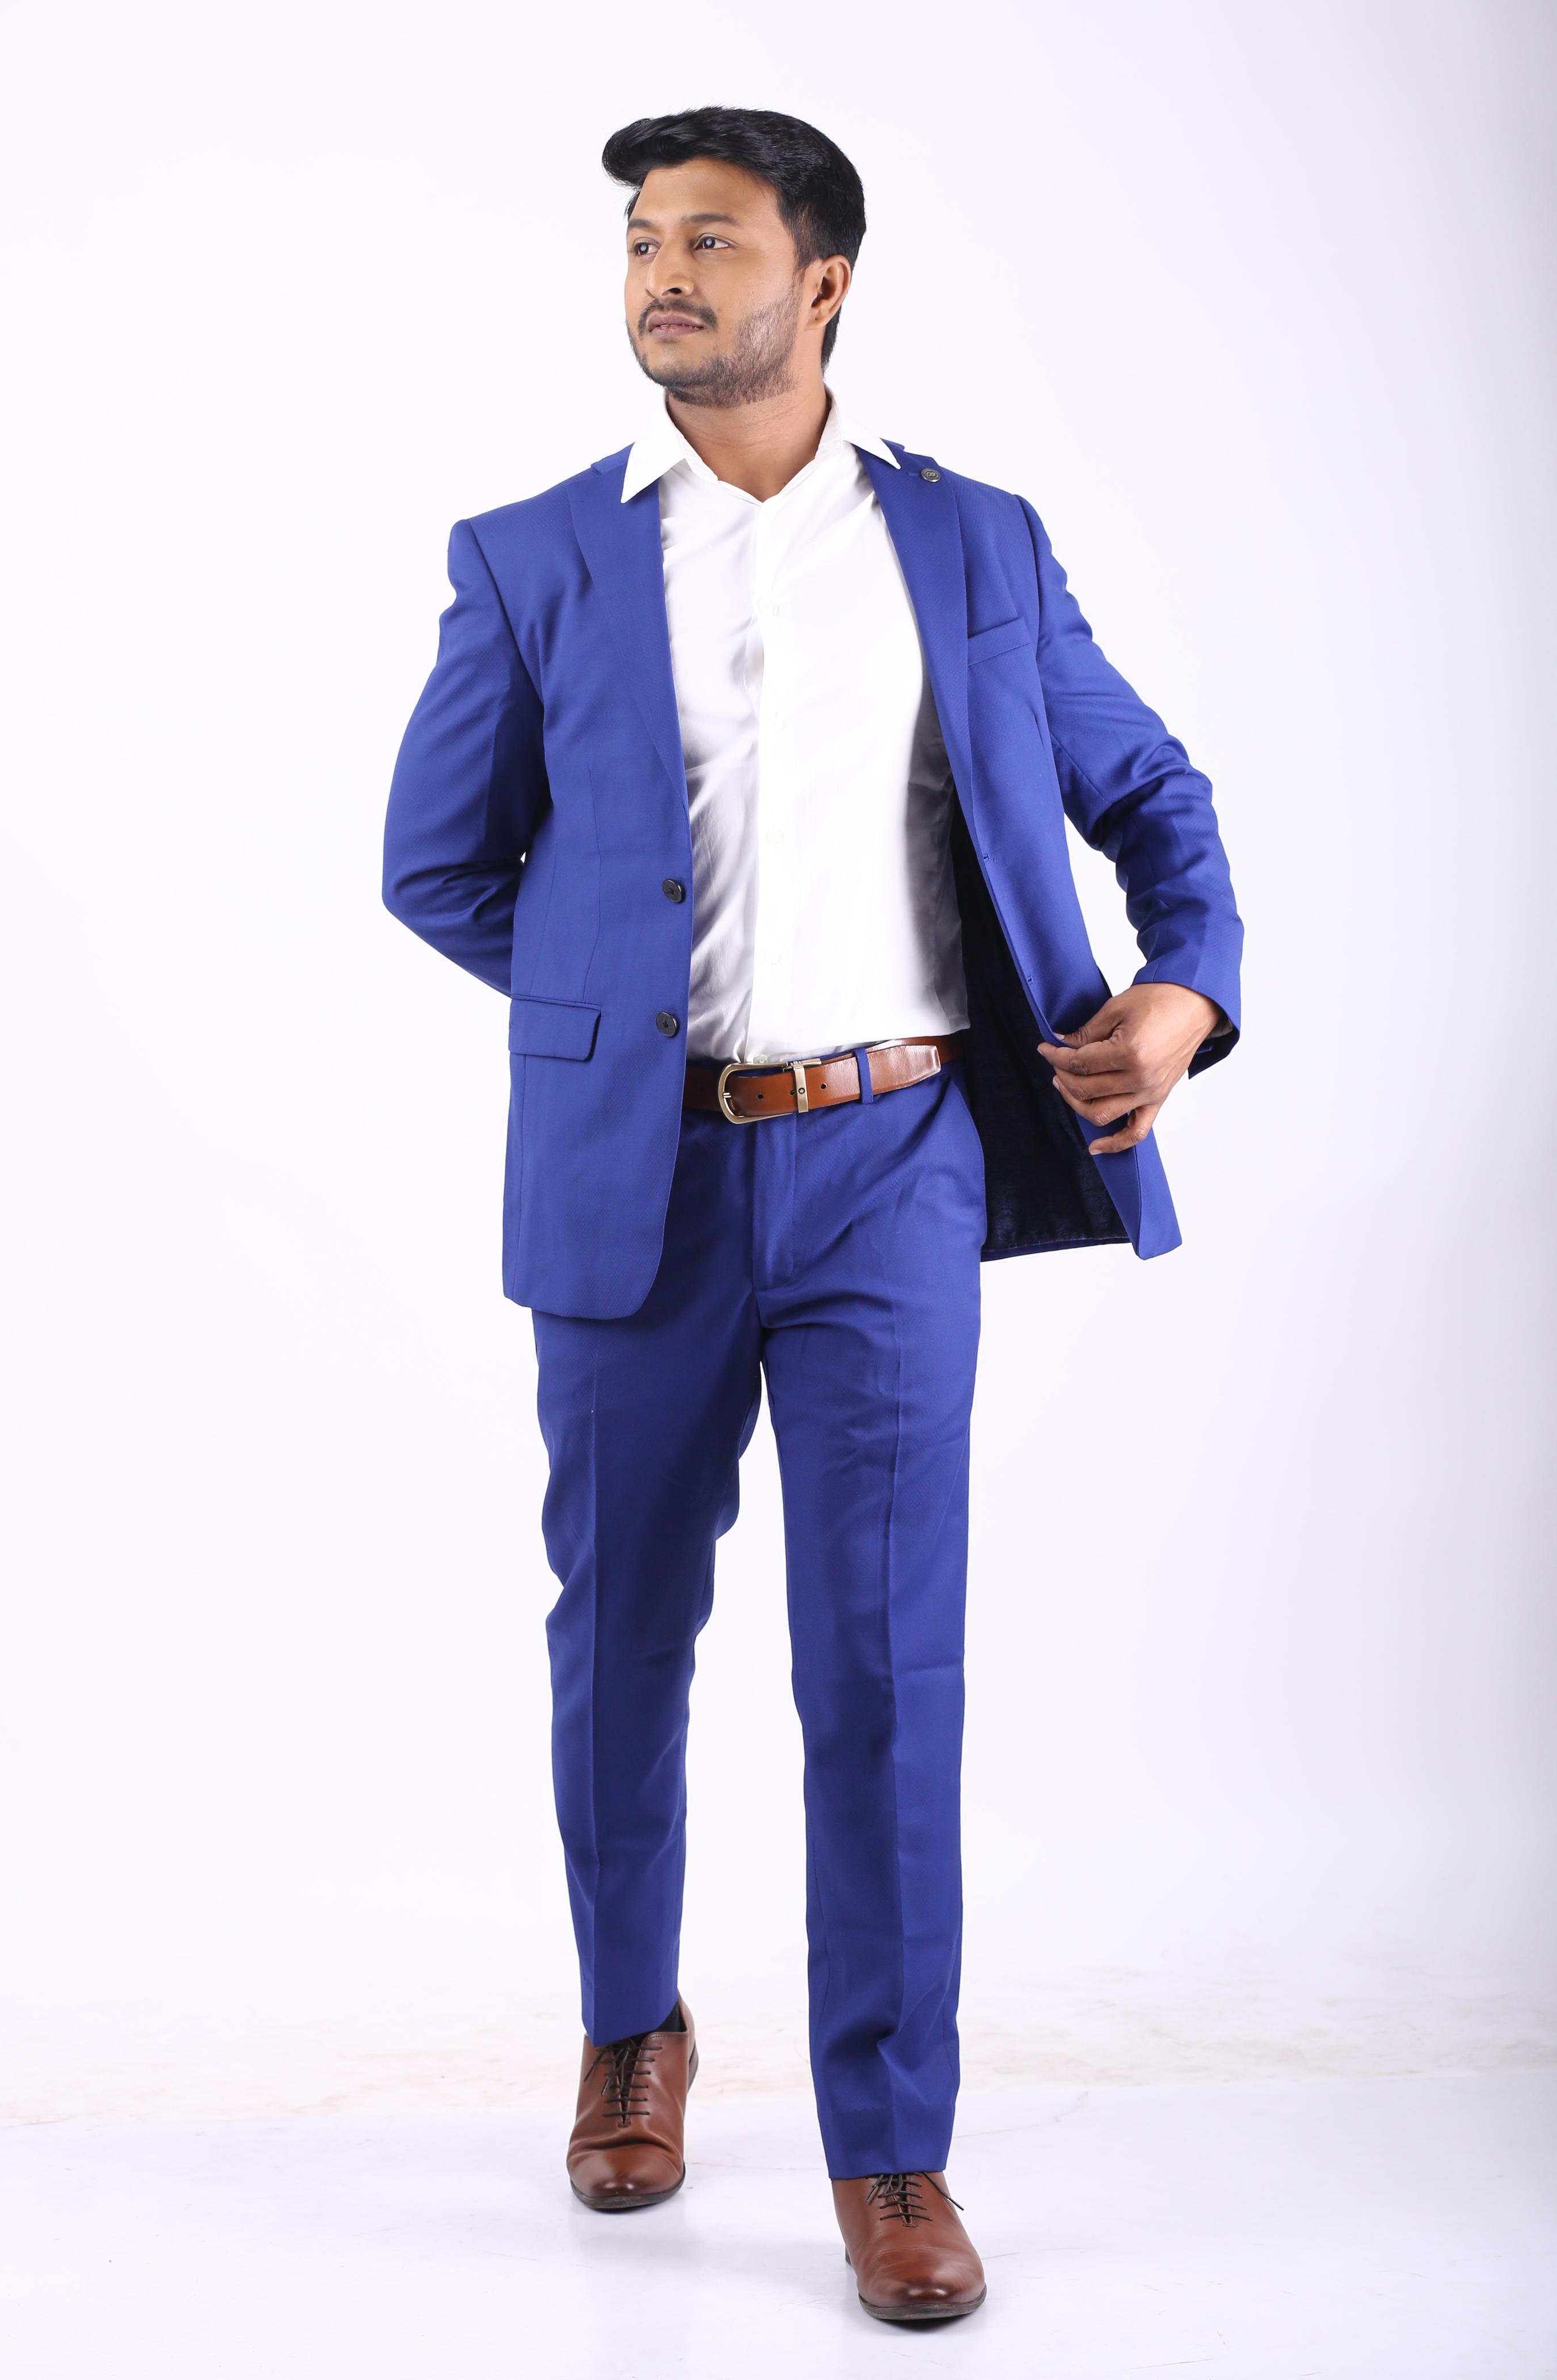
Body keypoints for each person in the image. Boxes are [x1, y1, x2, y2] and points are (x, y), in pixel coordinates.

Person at [382, 104, 1241, 2326]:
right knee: (619, 1643)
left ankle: (889, 2141)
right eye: (640, 242)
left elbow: (1148, 787)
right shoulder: (535, 554)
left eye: (711, 238)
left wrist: (1184, 985)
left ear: (823, 282)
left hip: (894, 1162)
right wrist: (612, 1011)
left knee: (882, 1662)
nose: (663, 273)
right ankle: (630, 2029)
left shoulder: (969, 540)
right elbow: (436, 861)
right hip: (636, 1180)